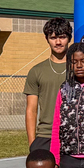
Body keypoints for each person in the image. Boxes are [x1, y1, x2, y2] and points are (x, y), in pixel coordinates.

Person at [24, 17, 73, 154]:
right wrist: (32, 143)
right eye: (53, 38)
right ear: (47, 39)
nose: (58, 42)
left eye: (62, 37)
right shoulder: (36, 71)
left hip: (73, 135)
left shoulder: (79, 69)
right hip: (45, 136)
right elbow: (31, 110)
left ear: (69, 38)